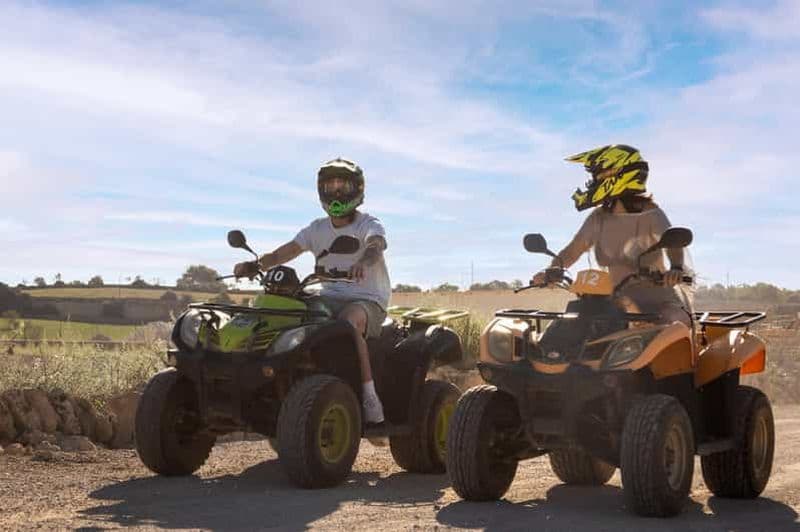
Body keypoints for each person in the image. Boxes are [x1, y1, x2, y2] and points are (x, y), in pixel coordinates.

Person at [234, 158, 391, 423]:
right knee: (288, 313)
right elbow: (288, 251)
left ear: (357, 189)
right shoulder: (316, 228)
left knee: (349, 322)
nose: (337, 192)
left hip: (367, 299)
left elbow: (376, 245)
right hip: (326, 295)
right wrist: (255, 264)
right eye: (331, 186)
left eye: (343, 185)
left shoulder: (368, 224)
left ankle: (369, 396)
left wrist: (363, 262)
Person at [533, 144, 692, 325]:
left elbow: (673, 242)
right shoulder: (599, 218)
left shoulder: (651, 213)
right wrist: (554, 270)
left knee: (675, 322)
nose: (593, 182)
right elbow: (573, 250)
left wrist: (676, 268)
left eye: (599, 175)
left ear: (618, 175)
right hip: (613, 301)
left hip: (656, 299)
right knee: (576, 324)